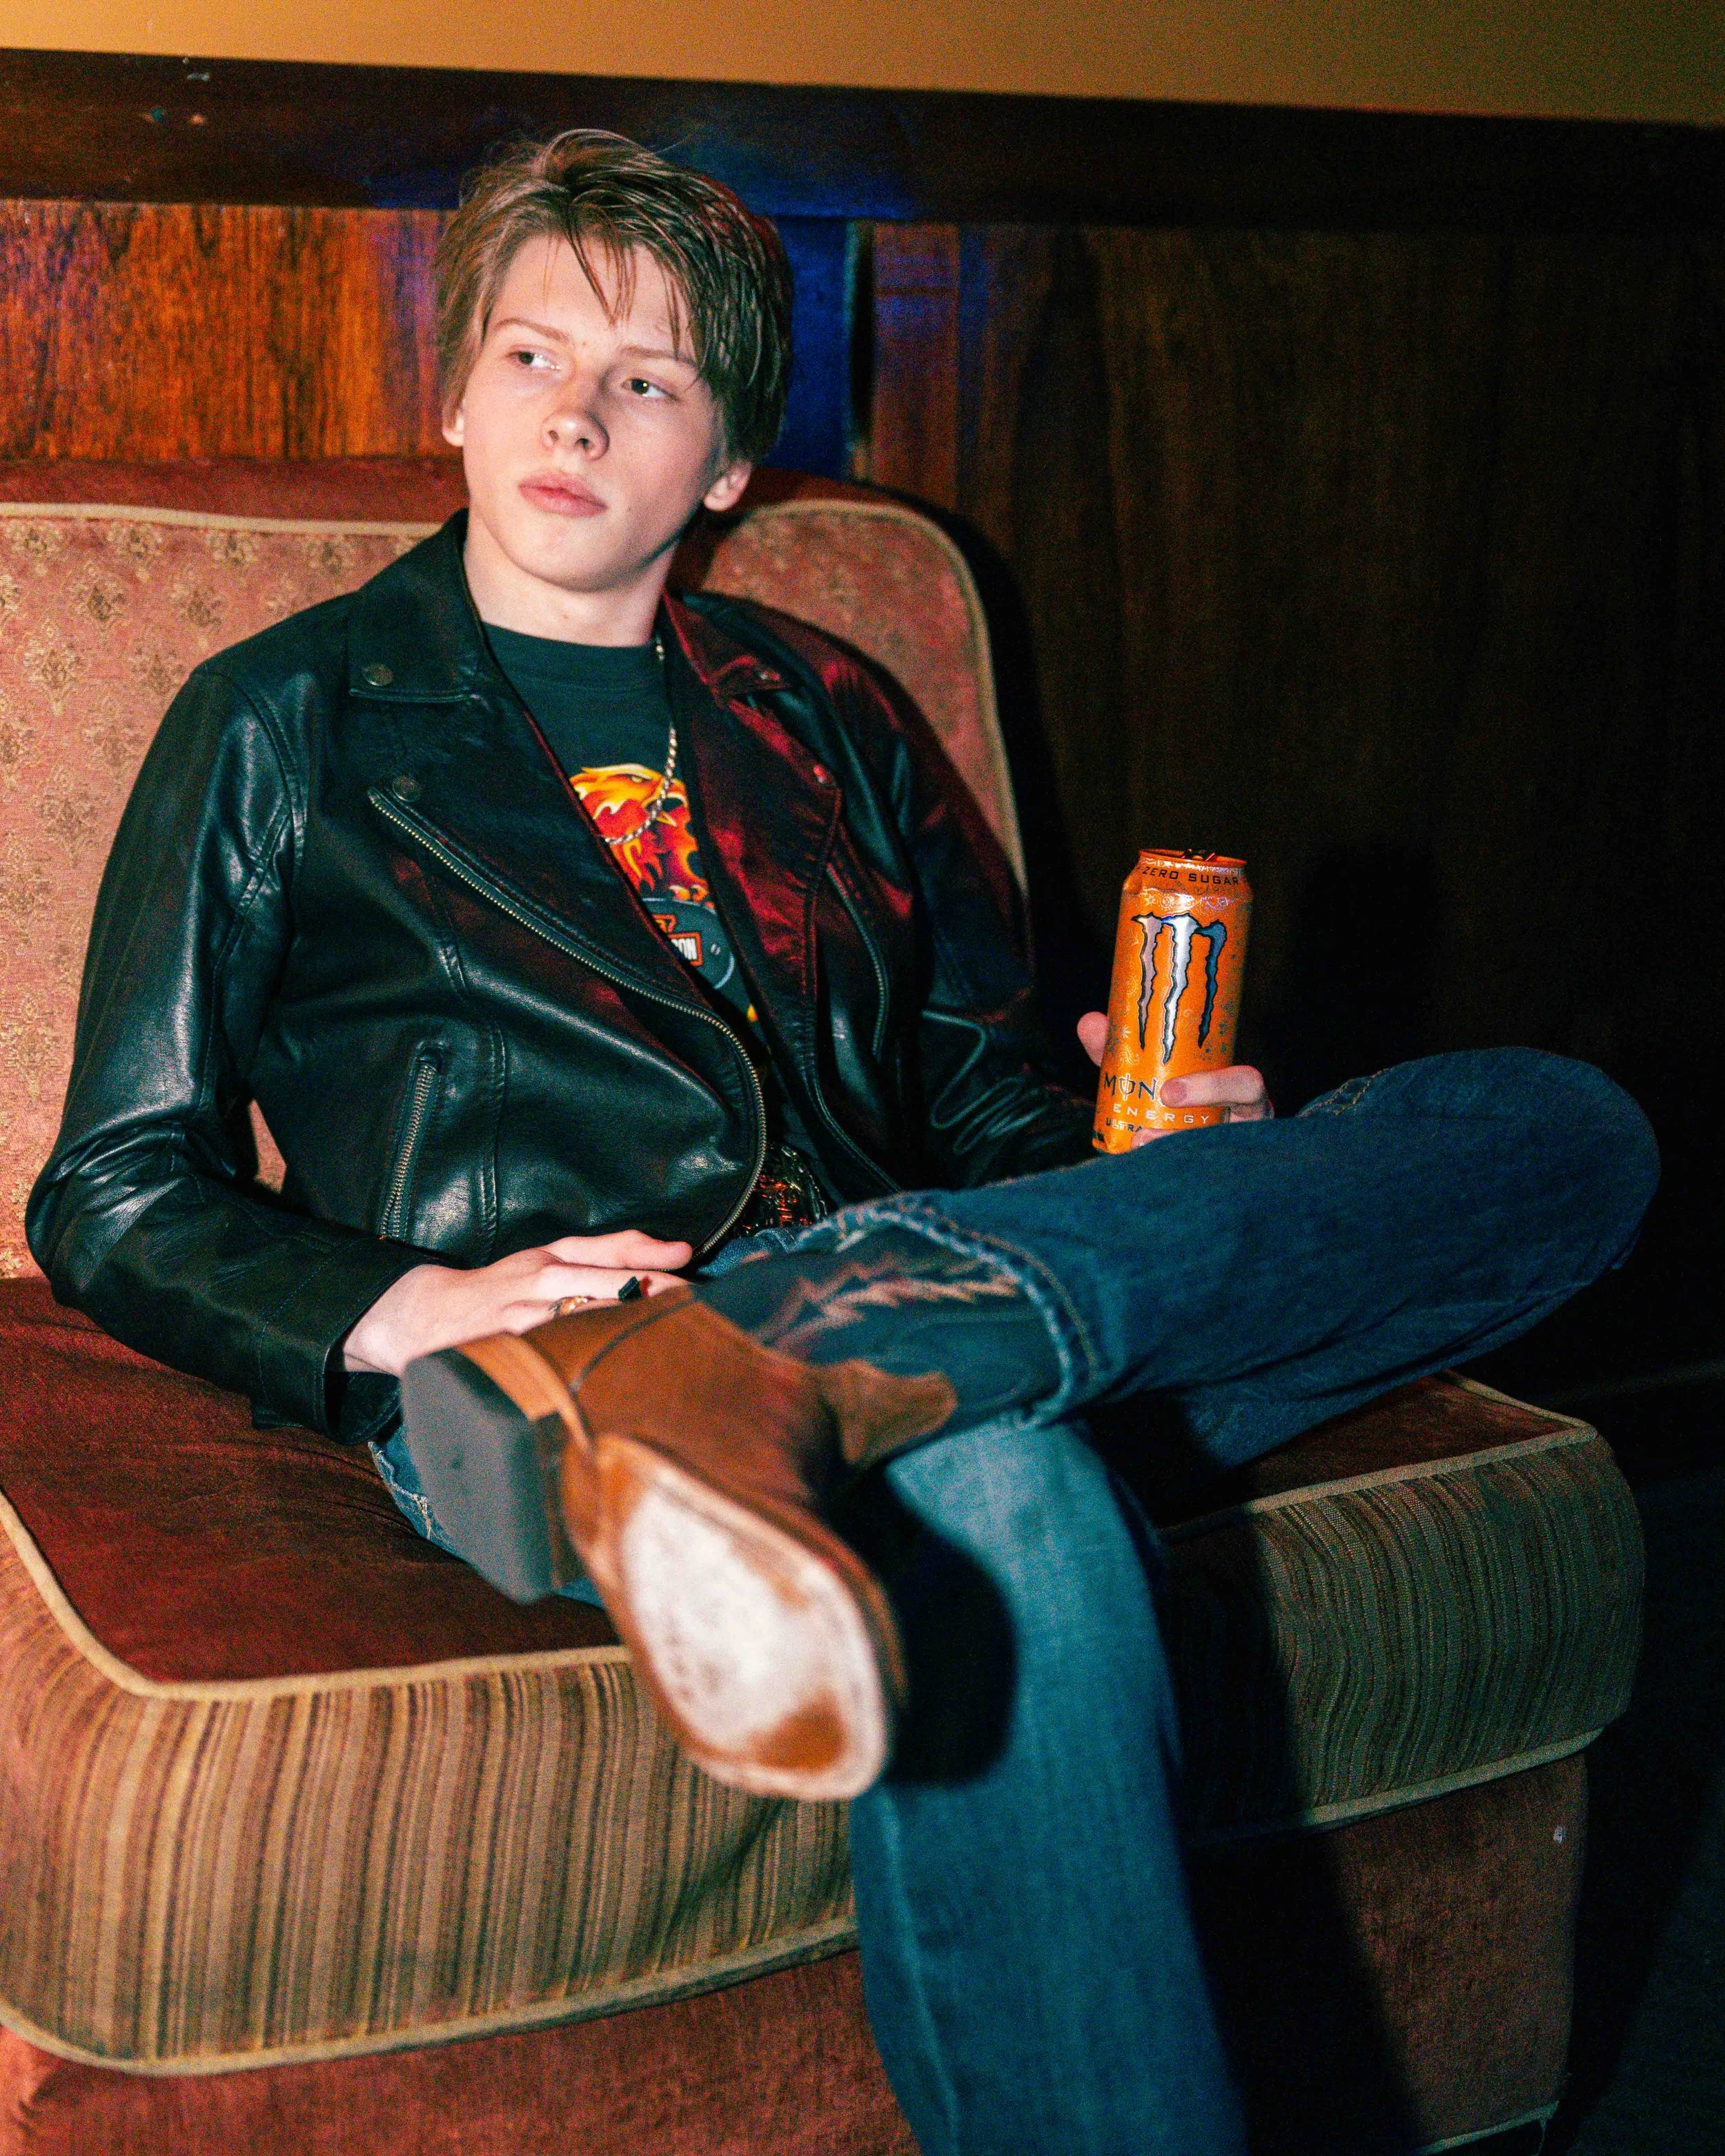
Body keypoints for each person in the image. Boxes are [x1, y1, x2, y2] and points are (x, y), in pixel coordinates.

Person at [28, 132, 1658, 2156]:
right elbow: (108, 1184)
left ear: (723, 463)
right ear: (449, 393)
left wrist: (1166, 1163)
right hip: (565, 1380)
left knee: (1559, 1129)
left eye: (648, 380)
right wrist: (399, 1300)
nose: (574, 411)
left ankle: (817, 1354)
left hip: (929, 1296)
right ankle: (770, 1378)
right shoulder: (286, 717)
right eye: (532, 355)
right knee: (1013, 1495)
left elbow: (985, 1098)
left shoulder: (829, 710)